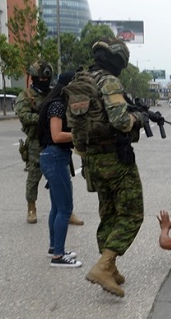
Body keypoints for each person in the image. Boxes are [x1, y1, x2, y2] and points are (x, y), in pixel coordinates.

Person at [66, 37, 159, 298]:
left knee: (108, 213)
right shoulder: (108, 81)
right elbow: (120, 121)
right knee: (132, 214)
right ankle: (104, 265)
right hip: (115, 160)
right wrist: (139, 117)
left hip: (91, 159)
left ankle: (111, 267)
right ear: (117, 60)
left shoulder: (82, 81)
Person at [15, 61, 85, 227]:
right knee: (34, 177)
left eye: (47, 78)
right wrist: (47, 118)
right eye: (41, 78)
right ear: (34, 77)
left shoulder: (54, 93)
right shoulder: (26, 96)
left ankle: (67, 210)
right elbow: (24, 116)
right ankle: (31, 207)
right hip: (36, 143)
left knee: (63, 177)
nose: (44, 81)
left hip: (57, 142)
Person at [38, 70, 82, 268]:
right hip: (55, 157)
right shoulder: (57, 105)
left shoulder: (55, 102)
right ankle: (58, 255)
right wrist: (80, 134)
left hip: (53, 157)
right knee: (65, 209)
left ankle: (53, 247)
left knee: (57, 207)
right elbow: (57, 136)